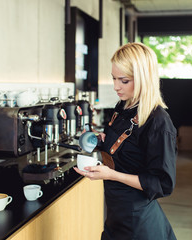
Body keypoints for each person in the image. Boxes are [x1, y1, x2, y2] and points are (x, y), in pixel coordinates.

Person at [74, 42, 177, 240]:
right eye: (113, 78)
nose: (115, 86)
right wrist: (102, 141)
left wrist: (112, 175)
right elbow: (127, 150)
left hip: (139, 222)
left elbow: (162, 184)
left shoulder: (158, 122)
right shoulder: (123, 108)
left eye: (124, 80)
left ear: (143, 79)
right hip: (116, 216)